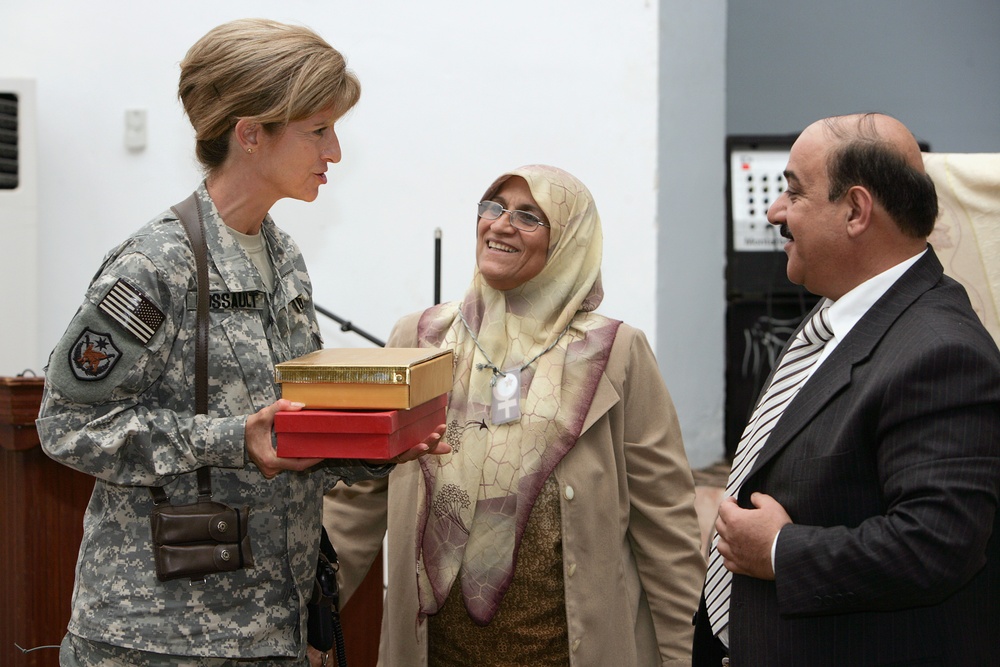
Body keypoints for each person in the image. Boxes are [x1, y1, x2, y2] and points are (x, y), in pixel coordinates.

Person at [36, 19, 446, 667]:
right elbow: (67, 425)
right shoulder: (155, 264)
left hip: (269, 628)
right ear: (250, 134)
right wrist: (233, 439)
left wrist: (382, 446)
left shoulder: (284, 258)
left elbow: (288, 432)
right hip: (155, 639)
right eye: (318, 130)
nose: (334, 151)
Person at [324, 164, 706, 666]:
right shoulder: (418, 340)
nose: (500, 224)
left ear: (569, 241)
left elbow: (666, 524)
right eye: (493, 207)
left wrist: (687, 655)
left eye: (529, 216)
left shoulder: (615, 353)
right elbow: (357, 498)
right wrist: (311, 613)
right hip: (438, 653)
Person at [692, 113, 1000, 666]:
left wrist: (781, 551)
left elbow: (938, 544)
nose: (774, 211)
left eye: (792, 191)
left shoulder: (943, 353)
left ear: (856, 210)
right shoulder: (842, 314)